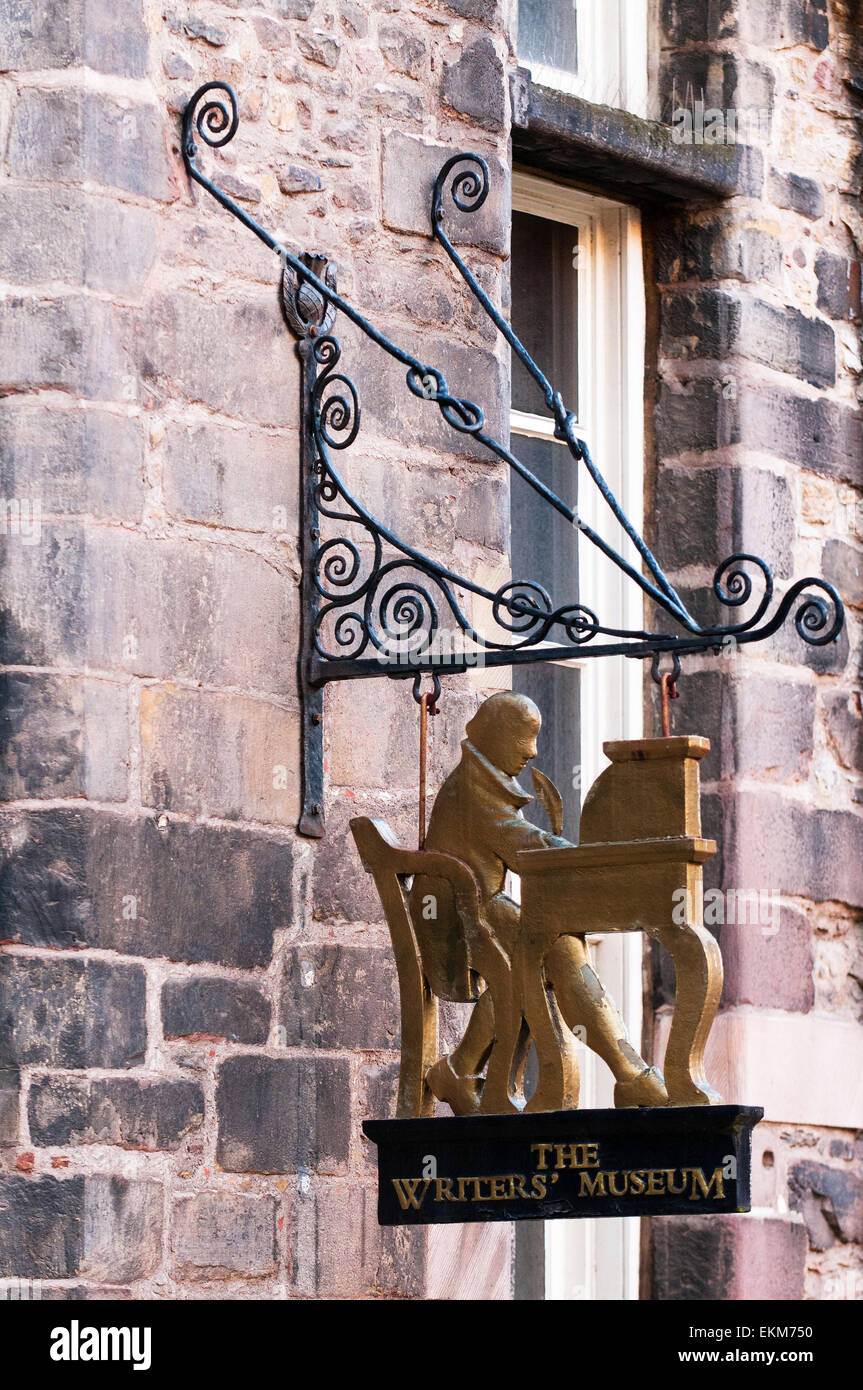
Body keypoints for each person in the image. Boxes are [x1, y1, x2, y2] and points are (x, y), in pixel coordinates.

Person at [410, 690, 667, 1114]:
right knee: (553, 951)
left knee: (551, 952)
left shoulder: (482, 781)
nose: (531, 752)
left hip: (477, 906)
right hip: (456, 919)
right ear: (494, 736)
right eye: (522, 740)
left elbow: (524, 839)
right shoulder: (472, 790)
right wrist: (588, 857)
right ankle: (628, 1074)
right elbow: (523, 843)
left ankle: (461, 1068)